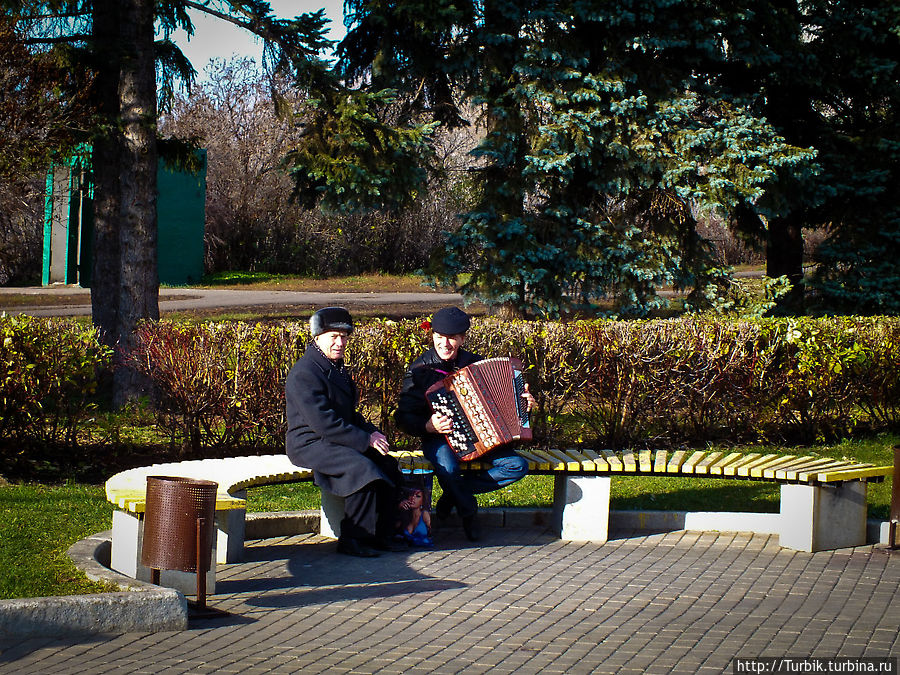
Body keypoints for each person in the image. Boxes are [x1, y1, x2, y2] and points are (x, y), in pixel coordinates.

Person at [395, 306, 531, 542]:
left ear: (462, 339)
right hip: (441, 439)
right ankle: (469, 511)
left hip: (483, 439)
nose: (445, 344)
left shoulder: (475, 363)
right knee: (448, 468)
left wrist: (523, 402)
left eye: (452, 338)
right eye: (439, 337)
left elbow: (503, 403)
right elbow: (402, 417)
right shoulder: (420, 371)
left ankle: (453, 495)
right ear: (433, 336)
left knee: (517, 465)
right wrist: (428, 425)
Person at [286, 307, 405, 558]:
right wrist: (364, 440)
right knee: (361, 469)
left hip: (335, 438)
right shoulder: (305, 373)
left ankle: (382, 535)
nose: (340, 343)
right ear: (317, 337)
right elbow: (324, 423)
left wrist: (373, 433)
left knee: (388, 465)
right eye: (333, 337)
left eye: (344, 337)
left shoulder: (334, 367)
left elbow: (350, 415)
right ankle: (353, 538)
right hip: (309, 443)